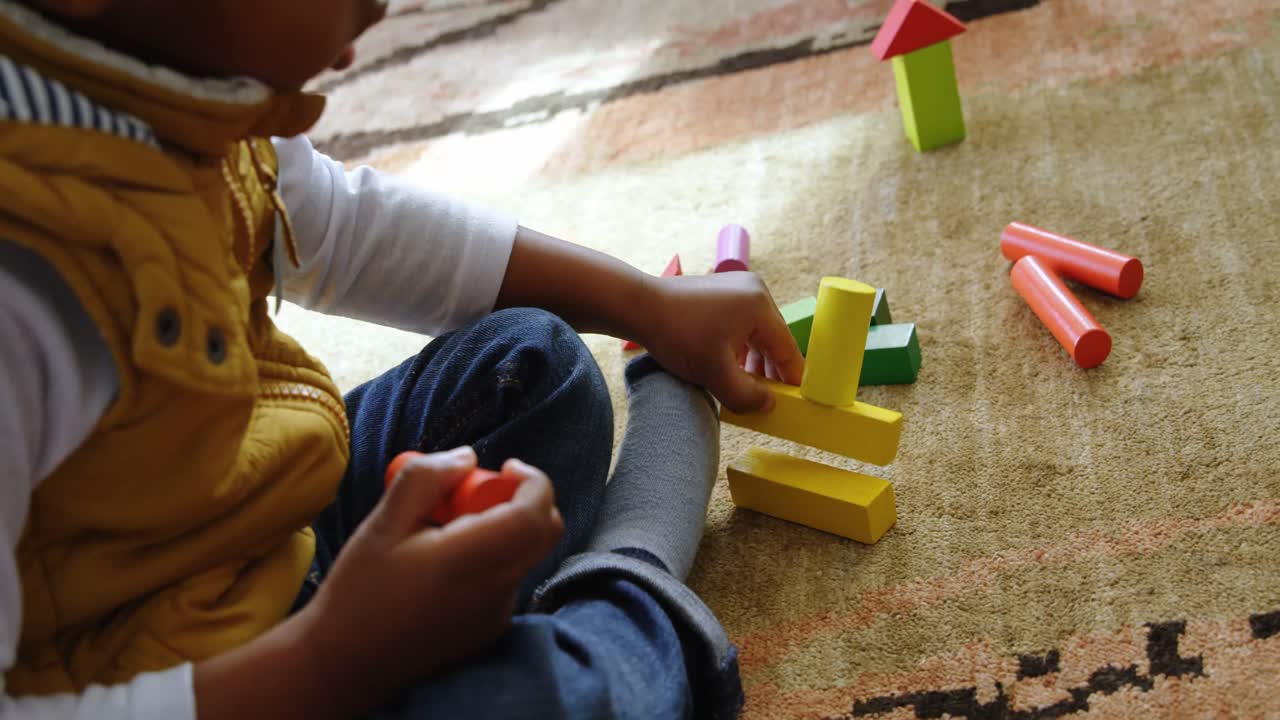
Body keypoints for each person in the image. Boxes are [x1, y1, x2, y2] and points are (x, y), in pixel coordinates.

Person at [0, 0, 805, 717]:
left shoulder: (181, 91)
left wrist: (646, 304)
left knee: (531, 360)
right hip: (193, 678)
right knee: (531, 702)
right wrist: (331, 660)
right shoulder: (22, 283)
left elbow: (345, 229)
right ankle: (633, 572)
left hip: (254, 523)